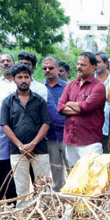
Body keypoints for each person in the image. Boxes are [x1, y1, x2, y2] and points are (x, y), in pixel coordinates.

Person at [0, 64, 51, 198]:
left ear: (30, 79)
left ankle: (45, 216)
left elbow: (46, 123)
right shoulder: (8, 102)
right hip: (17, 152)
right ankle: (23, 216)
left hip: (39, 150)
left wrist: (33, 144)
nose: (23, 80)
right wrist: (21, 146)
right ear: (13, 79)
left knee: (43, 188)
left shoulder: (39, 101)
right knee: (22, 190)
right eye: (20, 77)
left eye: (26, 77)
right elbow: (5, 125)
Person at [57, 51, 106, 168]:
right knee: (74, 177)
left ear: (93, 67)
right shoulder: (71, 85)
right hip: (70, 139)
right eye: (78, 64)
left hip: (90, 141)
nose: (79, 67)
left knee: (92, 179)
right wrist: (78, 107)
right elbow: (60, 107)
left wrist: (69, 104)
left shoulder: (99, 87)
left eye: (83, 65)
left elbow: (87, 106)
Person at [41, 56, 68, 190]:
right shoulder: (39, 88)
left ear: (57, 69)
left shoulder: (67, 87)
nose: (47, 70)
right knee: (55, 170)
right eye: (44, 68)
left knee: (72, 168)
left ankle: (74, 198)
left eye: (51, 68)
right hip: (49, 135)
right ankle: (58, 201)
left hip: (67, 134)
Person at [95, 53, 110, 153]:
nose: (95, 65)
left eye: (98, 62)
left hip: (109, 129)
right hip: (93, 129)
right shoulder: (90, 82)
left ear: (106, 64)